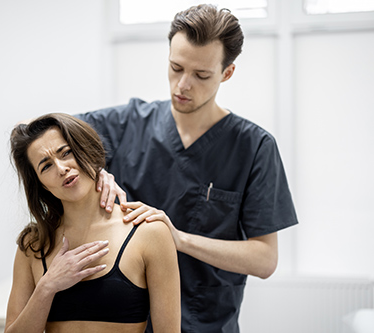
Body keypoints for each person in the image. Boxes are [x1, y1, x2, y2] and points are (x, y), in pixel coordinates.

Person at [74, 4, 299, 333]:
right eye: (175, 67)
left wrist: (177, 239)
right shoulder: (125, 125)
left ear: (227, 72)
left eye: (201, 75)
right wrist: (94, 170)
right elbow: (36, 134)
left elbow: (265, 260)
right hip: (124, 321)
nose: (182, 85)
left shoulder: (254, 147)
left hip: (205, 321)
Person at [4, 113, 181, 333]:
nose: (61, 168)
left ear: (86, 149)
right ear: (42, 186)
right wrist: (47, 287)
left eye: (66, 152)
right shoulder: (33, 244)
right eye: (46, 166)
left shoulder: (149, 233)